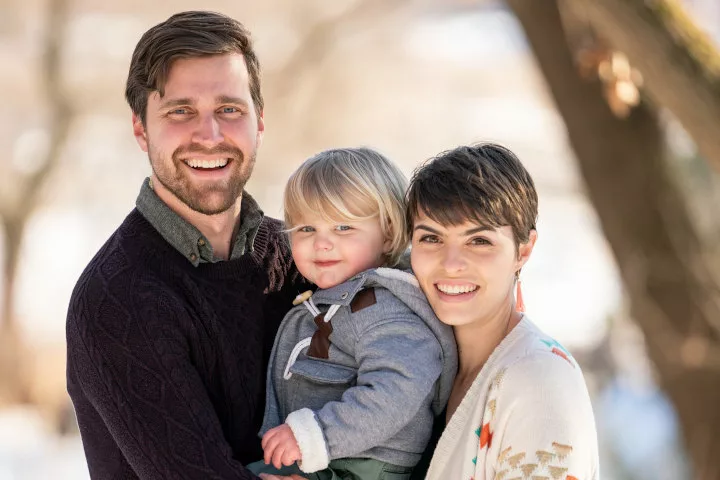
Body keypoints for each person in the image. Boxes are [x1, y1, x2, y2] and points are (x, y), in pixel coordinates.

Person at [66, 11, 307, 479]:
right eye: (181, 111)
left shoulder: (304, 257)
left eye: (229, 109)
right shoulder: (119, 299)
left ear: (259, 122)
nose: (210, 135)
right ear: (140, 129)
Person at [249, 148, 458, 480]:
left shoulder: (388, 309)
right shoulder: (341, 297)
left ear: (388, 233)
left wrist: (313, 434)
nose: (322, 243)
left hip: (367, 466)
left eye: (343, 227)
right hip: (330, 457)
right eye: (306, 229)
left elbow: (395, 392)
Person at [406, 144, 600, 479]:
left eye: (479, 241)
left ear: (523, 251)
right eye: (431, 238)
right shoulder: (418, 363)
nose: (451, 264)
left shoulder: (540, 380)